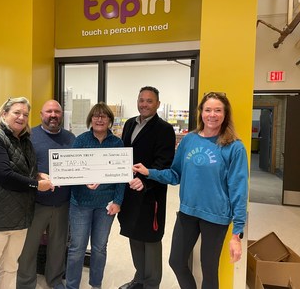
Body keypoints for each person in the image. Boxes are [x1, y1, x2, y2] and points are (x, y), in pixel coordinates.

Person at [133, 92, 248, 289]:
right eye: (208, 110)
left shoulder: (234, 147)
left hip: (216, 216)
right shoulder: (189, 140)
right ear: (201, 113)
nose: (212, 115)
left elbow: (239, 189)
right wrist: (149, 172)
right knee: (176, 261)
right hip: (187, 212)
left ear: (225, 114)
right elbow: (175, 174)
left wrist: (237, 232)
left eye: (218, 110)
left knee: (209, 269)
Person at [0, 97, 54, 289]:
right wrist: (35, 185)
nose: (22, 117)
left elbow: (23, 170)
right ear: (4, 113)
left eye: (25, 114)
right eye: (17, 112)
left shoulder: (24, 142)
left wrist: (38, 175)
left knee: (10, 270)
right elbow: (4, 175)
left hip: (18, 219)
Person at [118, 86, 176, 289]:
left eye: (149, 101)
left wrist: (146, 180)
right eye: (141, 100)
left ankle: (151, 284)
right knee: (133, 233)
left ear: (158, 104)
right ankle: (139, 278)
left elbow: (164, 163)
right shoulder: (129, 124)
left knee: (150, 239)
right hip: (129, 191)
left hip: (151, 193)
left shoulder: (164, 129)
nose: (144, 104)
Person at [65, 102, 126, 289]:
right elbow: (72, 170)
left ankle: (95, 285)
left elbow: (122, 176)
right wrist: (84, 180)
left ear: (109, 120)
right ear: (90, 119)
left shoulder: (117, 143)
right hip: (80, 203)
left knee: (100, 248)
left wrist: (118, 201)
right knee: (77, 249)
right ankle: (72, 285)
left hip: (106, 205)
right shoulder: (80, 140)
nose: (99, 119)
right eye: (96, 116)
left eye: (104, 116)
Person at [17, 100, 75, 289]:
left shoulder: (71, 138)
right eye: (49, 111)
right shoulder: (29, 136)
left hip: (62, 202)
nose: (53, 115)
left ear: (61, 115)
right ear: (41, 114)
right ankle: (26, 283)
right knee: (28, 247)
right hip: (35, 202)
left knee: (58, 246)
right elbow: (20, 167)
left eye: (57, 112)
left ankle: (55, 280)